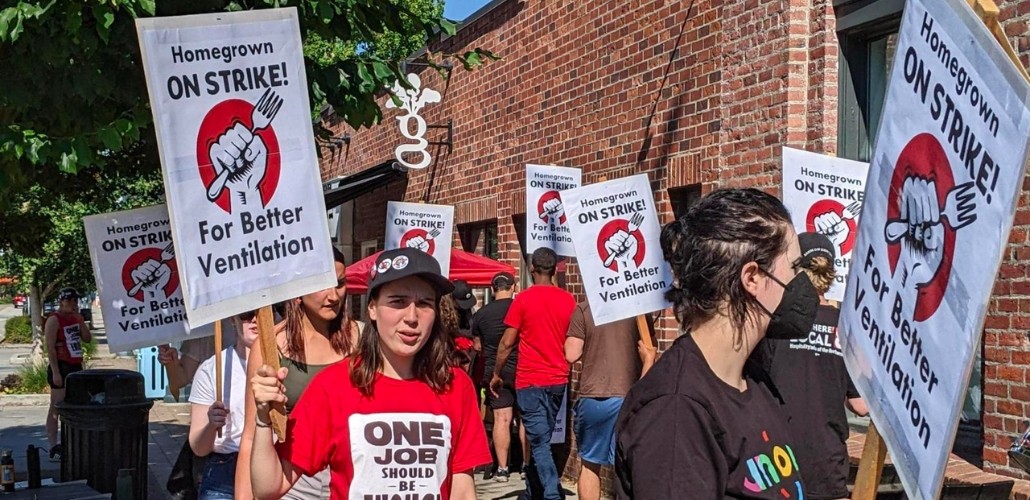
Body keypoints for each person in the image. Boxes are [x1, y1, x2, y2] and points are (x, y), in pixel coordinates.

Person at [615, 188, 816, 499]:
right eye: (794, 268)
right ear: (752, 278)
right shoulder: (676, 410)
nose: (802, 282)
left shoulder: (754, 379)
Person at [249, 248, 492, 500]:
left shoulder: (456, 386)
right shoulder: (332, 386)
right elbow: (269, 487)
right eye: (397, 301)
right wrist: (263, 419)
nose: (411, 317)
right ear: (373, 309)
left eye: (424, 303)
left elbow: (462, 490)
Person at [750, 232, 868, 500]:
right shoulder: (847, 328)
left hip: (777, 459)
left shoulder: (776, 325)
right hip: (827, 461)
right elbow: (861, 405)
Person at [236, 247, 359, 500]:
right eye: (323, 285)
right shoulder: (270, 346)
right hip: (293, 479)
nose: (334, 296)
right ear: (299, 290)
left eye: (340, 284)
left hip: (352, 477)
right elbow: (250, 435)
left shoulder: (364, 339)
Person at [491, 248, 576, 500]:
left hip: (529, 380)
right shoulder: (568, 300)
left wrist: (496, 372)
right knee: (542, 439)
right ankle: (532, 492)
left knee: (539, 442)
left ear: (531, 269)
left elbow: (506, 343)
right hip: (558, 379)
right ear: (554, 270)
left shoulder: (523, 300)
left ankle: (551, 493)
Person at [564, 303, 656, 500]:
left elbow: (571, 354)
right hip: (630, 395)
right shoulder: (639, 308)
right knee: (625, 467)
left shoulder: (585, 309)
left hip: (595, 395)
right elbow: (650, 351)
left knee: (589, 464)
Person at [187, 311, 260, 499]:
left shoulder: (287, 366)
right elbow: (198, 447)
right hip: (225, 468)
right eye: (247, 314)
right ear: (232, 319)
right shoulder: (211, 370)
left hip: (273, 464)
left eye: (264, 312)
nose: (255, 319)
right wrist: (211, 425)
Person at [472, 272, 527, 482]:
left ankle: (502, 469)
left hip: (495, 372)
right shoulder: (520, 308)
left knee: (501, 419)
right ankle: (525, 465)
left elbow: (477, 346)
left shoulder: (481, 314)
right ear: (513, 287)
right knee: (525, 419)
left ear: (492, 289)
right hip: (522, 369)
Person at [44, 287, 92, 462]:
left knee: (75, 404)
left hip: (75, 364)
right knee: (56, 405)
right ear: (61, 301)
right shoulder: (54, 320)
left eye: (75, 300)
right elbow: (49, 347)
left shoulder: (75, 318)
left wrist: (81, 321)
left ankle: (73, 441)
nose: (73, 304)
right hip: (61, 365)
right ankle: (53, 446)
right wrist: (56, 371)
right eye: (70, 300)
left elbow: (87, 339)